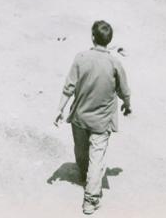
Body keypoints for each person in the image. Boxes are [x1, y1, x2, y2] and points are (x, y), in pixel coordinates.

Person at [54, 19, 132, 216]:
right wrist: (127, 106)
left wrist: (59, 109)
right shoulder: (115, 63)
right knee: (96, 159)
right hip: (101, 121)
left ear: (92, 37)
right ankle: (90, 201)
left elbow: (68, 87)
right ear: (110, 40)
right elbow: (125, 91)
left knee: (81, 150)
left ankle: (84, 174)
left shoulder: (81, 58)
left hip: (79, 117)